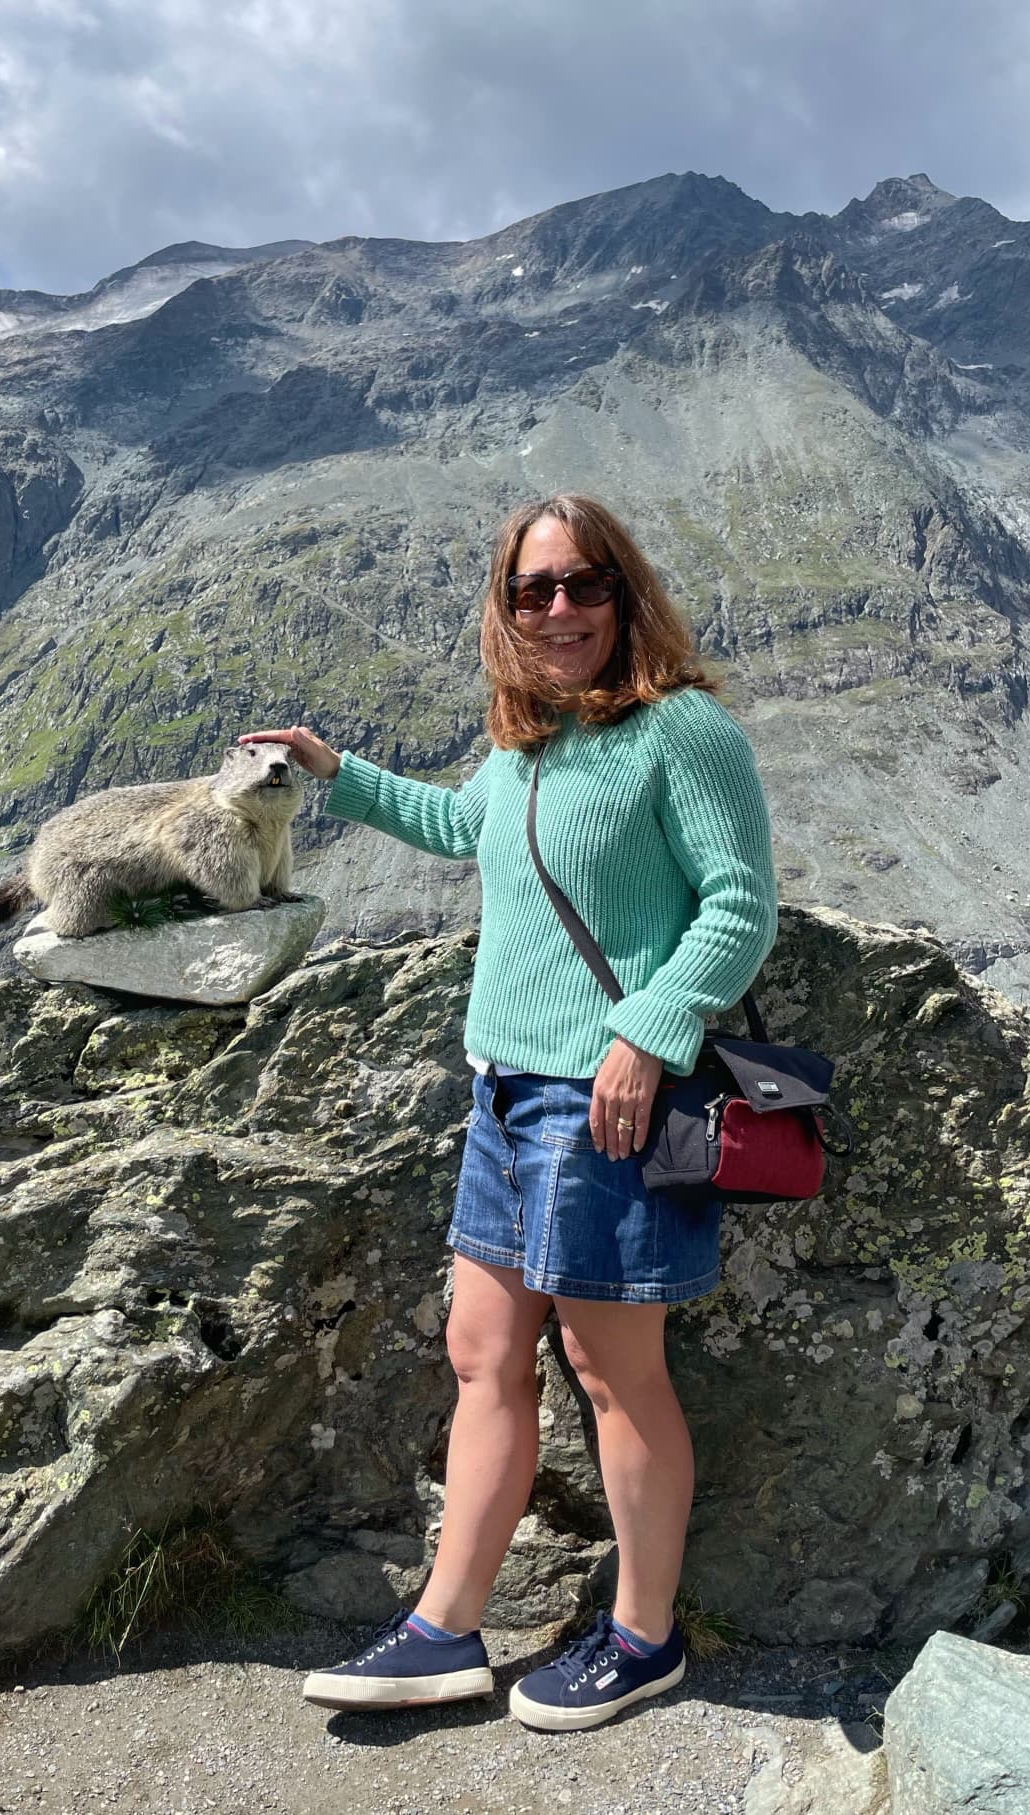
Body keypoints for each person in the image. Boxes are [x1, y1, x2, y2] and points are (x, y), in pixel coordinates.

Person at [239, 493, 776, 1731]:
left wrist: (647, 1033)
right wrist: (333, 771)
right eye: (533, 590)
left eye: (583, 584)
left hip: (603, 1100)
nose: (558, 608)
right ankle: (444, 1629)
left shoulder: (679, 731)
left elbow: (738, 905)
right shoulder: (528, 740)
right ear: (507, 610)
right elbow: (458, 824)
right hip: (501, 1092)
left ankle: (643, 1636)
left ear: (623, 595)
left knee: (609, 1370)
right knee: (481, 1355)